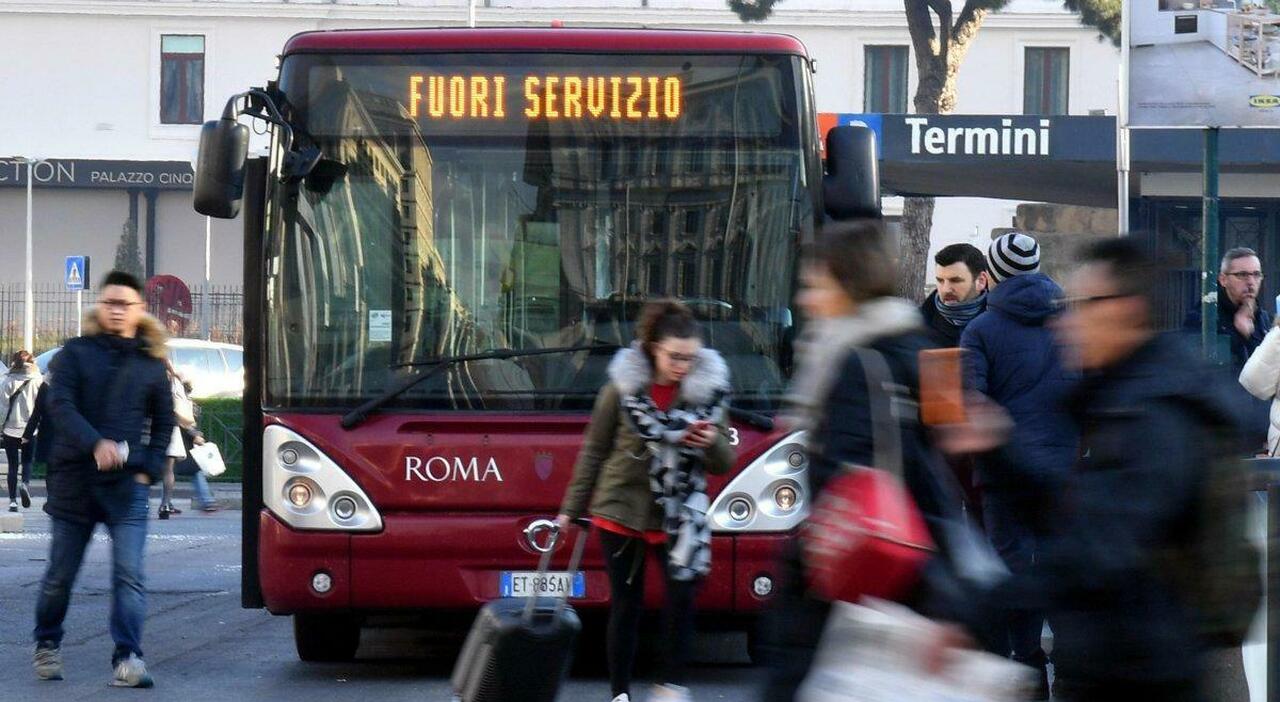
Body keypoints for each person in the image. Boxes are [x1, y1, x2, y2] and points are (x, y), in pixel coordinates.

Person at [946, 238, 1250, 702]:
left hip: (1145, 674)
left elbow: (1100, 553)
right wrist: (1000, 448)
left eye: (1083, 305)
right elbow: (1072, 515)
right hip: (1118, 666)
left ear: (1124, 310)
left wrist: (975, 615)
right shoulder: (1124, 397)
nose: (1065, 322)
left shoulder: (1155, 415)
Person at [759, 219, 983, 701]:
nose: (806, 299)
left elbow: (859, 489)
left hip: (847, 582)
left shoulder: (848, 361)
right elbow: (939, 472)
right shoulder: (923, 346)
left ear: (847, 283)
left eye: (815, 284)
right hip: (915, 569)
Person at [557, 300, 734, 702]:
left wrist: (710, 443)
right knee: (626, 605)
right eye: (674, 356)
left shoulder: (708, 394)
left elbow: (724, 461)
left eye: (690, 357)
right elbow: (594, 451)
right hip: (621, 509)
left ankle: (670, 686)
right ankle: (620, 693)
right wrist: (570, 510)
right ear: (652, 347)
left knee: (682, 601)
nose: (682, 366)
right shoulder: (621, 390)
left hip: (680, 517)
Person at [32, 270, 175, 688]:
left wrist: (148, 468)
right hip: (74, 484)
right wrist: (96, 443)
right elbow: (61, 406)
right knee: (60, 574)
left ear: (139, 310)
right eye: (109, 303)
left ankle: (129, 657)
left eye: (124, 304)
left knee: (129, 574)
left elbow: (164, 421)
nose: (116, 310)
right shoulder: (75, 354)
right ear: (100, 307)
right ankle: (47, 643)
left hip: (127, 488)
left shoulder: (151, 365)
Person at [958, 231, 1076, 697]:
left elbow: (970, 398)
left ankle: (1027, 662)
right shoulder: (1069, 323)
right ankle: (1067, 664)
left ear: (993, 274)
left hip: (1004, 473)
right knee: (1060, 563)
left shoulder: (981, 329)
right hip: (1061, 468)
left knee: (1011, 567)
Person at [158, 359, 217, 518]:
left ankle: (152, 504)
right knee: (169, 469)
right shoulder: (175, 381)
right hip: (172, 428)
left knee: (146, 467)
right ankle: (165, 504)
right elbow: (182, 408)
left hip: (153, 426)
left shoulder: (153, 377)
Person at [920, 243, 989, 347]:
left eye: (955, 280)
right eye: (940, 281)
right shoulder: (917, 327)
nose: (946, 289)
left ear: (981, 281)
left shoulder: (1002, 324)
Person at [2, 350, 42, 512]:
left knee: (12, 465)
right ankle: (25, 483)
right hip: (30, 429)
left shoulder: (7, 381)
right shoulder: (38, 380)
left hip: (11, 428)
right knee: (27, 461)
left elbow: (2, 407)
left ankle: (12, 501)